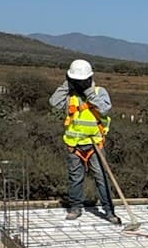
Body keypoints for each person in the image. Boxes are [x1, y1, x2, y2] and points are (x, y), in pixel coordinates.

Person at [49, 59, 115, 221]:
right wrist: (67, 85)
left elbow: (105, 109)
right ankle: (75, 208)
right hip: (74, 144)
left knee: (101, 177)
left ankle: (109, 211)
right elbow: (54, 102)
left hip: (94, 144)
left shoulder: (99, 92)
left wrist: (89, 93)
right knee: (75, 178)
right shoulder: (70, 95)